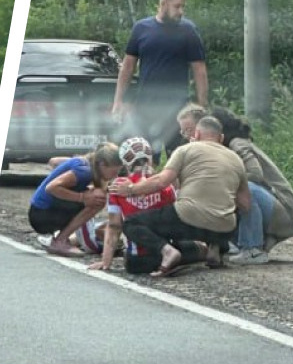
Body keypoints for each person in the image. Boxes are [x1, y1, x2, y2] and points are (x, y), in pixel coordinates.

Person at [111, 116, 249, 276]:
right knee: (231, 213)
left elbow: (161, 182)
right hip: (223, 228)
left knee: (131, 223)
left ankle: (167, 251)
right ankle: (216, 249)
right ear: (222, 138)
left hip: (188, 220)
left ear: (196, 134)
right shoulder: (236, 159)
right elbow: (245, 204)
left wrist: (131, 189)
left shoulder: (185, 150)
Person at [112, 0, 208, 163]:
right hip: (146, 108)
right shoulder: (141, 28)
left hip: (177, 109)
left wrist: (201, 107)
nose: (181, 11)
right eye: (177, 6)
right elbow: (127, 67)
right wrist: (118, 101)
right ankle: (147, 190)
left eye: (182, 7)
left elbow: (199, 69)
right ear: (164, 3)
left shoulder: (188, 30)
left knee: (181, 160)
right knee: (144, 160)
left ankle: (180, 192)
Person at [91, 136, 207, 274]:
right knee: (201, 248)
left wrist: (106, 262)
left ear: (125, 162)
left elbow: (114, 227)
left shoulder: (118, 187)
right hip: (165, 249)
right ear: (150, 158)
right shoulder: (165, 186)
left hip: (137, 262)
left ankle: (171, 257)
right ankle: (179, 257)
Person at [209, 106, 293, 265]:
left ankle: (252, 248)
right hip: (275, 207)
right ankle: (238, 243)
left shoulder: (237, 144)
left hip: (286, 211)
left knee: (243, 187)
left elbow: (255, 174)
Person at [27, 144, 123, 257]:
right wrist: (82, 197)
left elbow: (54, 161)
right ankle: (59, 241)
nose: (115, 176)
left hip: (40, 212)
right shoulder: (85, 171)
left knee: (94, 194)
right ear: (102, 164)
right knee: (98, 198)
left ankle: (63, 238)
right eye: (113, 172)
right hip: (41, 216)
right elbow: (51, 187)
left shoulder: (85, 163)